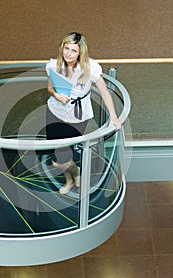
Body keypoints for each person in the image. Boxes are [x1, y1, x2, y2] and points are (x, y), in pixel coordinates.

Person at [45, 32, 121, 194]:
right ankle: (71, 177)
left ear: (80, 52)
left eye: (73, 50)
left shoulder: (90, 68)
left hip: (78, 116)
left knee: (64, 155)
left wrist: (113, 116)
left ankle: (74, 173)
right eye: (66, 48)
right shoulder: (54, 65)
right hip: (54, 112)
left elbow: (105, 93)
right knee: (58, 158)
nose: (68, 54)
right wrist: (56, 95)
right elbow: (50, 88)